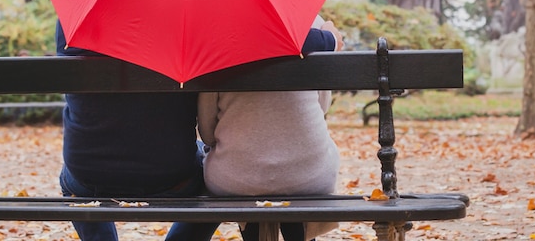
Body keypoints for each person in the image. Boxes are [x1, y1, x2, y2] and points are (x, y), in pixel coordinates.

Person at [57, 20, 342, 241]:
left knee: (70, 180)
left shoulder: (73, 20)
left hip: (88, 175)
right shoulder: (183, 16)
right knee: (210, 177)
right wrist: (328, 38)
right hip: (170, 176)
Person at [196, 18, 344, 241]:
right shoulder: (312, 26)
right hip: (310, 178)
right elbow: (322, 108)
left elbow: (207, 132)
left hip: (238, 180)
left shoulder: (216, 35)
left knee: (239, 170)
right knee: (303, 168)